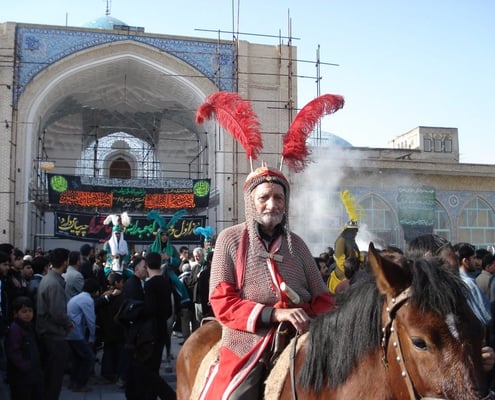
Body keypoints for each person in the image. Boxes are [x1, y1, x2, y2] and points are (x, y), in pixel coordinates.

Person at [199, 166, 335, 399]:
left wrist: (319, 316)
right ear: (251, 202)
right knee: (236, 396)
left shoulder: (298, 245)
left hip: (302, 333)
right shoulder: (230, 240)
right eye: (264, 197)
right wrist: (274, 314)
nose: (272, 204)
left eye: (278, 197)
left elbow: (322, 298)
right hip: (250, 338)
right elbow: (222, 301)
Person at [36, 248, 74, 400]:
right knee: (54, 376)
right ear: (65, 262)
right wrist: (68, 323)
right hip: (52, 334)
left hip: (48, 332)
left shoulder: (50, 279)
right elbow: (57, 313)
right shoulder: (53, 283)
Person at [5, 296, 44, 400]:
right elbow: (13, 352)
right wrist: (26, 367)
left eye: (30, 311)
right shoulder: (15, 329)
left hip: (33, 373)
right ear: (15, 313)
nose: (28, 314)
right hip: (21, 376)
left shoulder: (29, 326)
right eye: (24, 311)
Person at [65, 278, 99, 392]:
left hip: (70, 332)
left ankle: (73, 382)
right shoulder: (87, 300)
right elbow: (91, 320)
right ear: (95, 291)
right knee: (88, 357)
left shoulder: (79, 297)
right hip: (76, 333)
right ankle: (80, 383)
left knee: (77, 358)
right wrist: (92, 337)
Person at [327, 190, 363, 294]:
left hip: (354, 272)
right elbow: (340, 260)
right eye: (353, 230)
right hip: (343, 274)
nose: (355, 232)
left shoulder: (352, 240)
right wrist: (348, 275)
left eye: (356, 230)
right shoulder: (341, 240)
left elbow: (357, 254)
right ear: (348, 230)